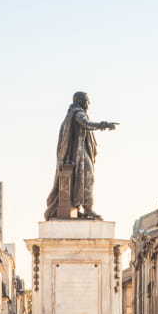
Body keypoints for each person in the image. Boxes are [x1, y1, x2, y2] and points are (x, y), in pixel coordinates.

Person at [43, 91, 118, 220]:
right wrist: (103, 125)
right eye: (87, 100)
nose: (89, 103)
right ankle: (88, 208)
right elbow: (86, 124)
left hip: (79, 153)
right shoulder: (78, 113)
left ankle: (78, 207)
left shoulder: (74, 114)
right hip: (79, 155)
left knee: (82, 180)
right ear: (81, 101)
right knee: (87, 178)